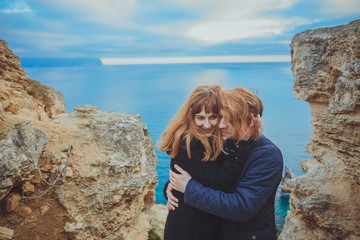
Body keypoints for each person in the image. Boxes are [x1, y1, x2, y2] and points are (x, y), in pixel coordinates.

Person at [168, 87, 284, 240]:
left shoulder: (268, 155)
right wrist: (172, 186)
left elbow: (241, 207)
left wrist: (188, 188)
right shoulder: (227, 143)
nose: (221, 125)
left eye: (230, 120)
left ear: (250, 122)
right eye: (221, 117)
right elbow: (208, 176)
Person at [158, 85, 251, 240]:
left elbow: (200, 175)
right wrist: (241, 146)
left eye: (213, 117)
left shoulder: (211, 139)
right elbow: (219, 183)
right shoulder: (187, 143)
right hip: (190, 230)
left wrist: (170, 186)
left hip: (199, 226)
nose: (207, 125)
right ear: (191, 117)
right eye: (200, 118)